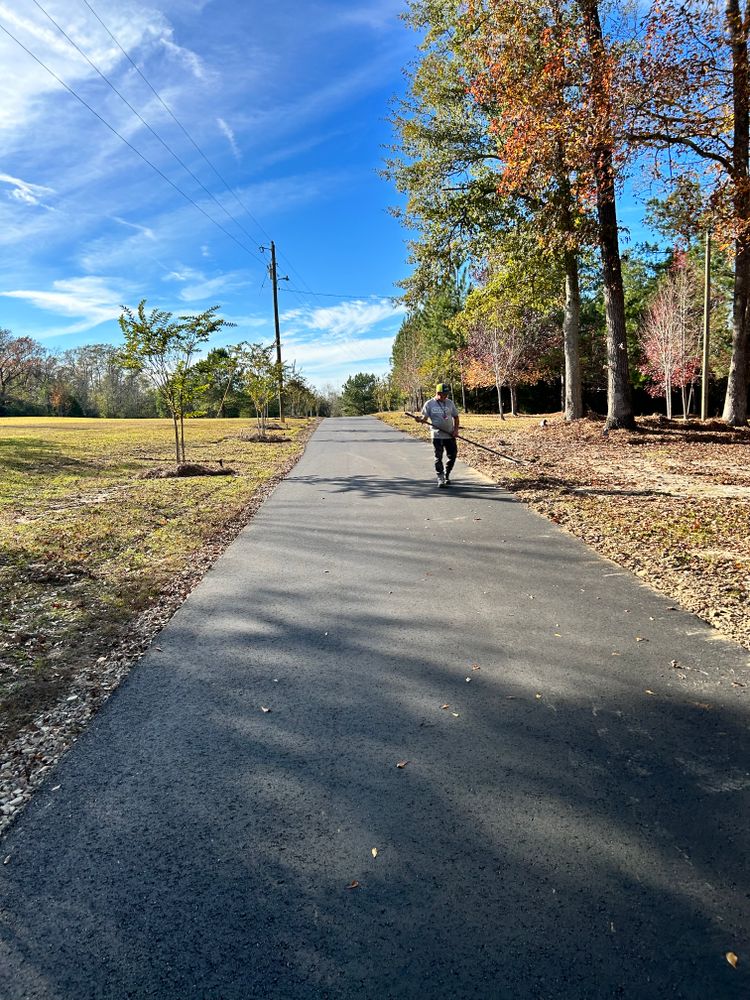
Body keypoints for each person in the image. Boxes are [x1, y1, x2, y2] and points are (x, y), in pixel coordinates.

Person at [418, 383, 459, 487]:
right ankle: (440, 477)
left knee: (452, 455)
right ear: (437, 393)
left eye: (446, 394)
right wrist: (419, 420)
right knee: (438, 457)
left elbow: (456, 417)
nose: (445, 397)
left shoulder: (450, 403)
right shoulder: (429, 404)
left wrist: (455, 430)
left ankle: (446, 474)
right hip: (437, 435)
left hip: (450, 435)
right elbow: (424, 419)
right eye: (442, 394)